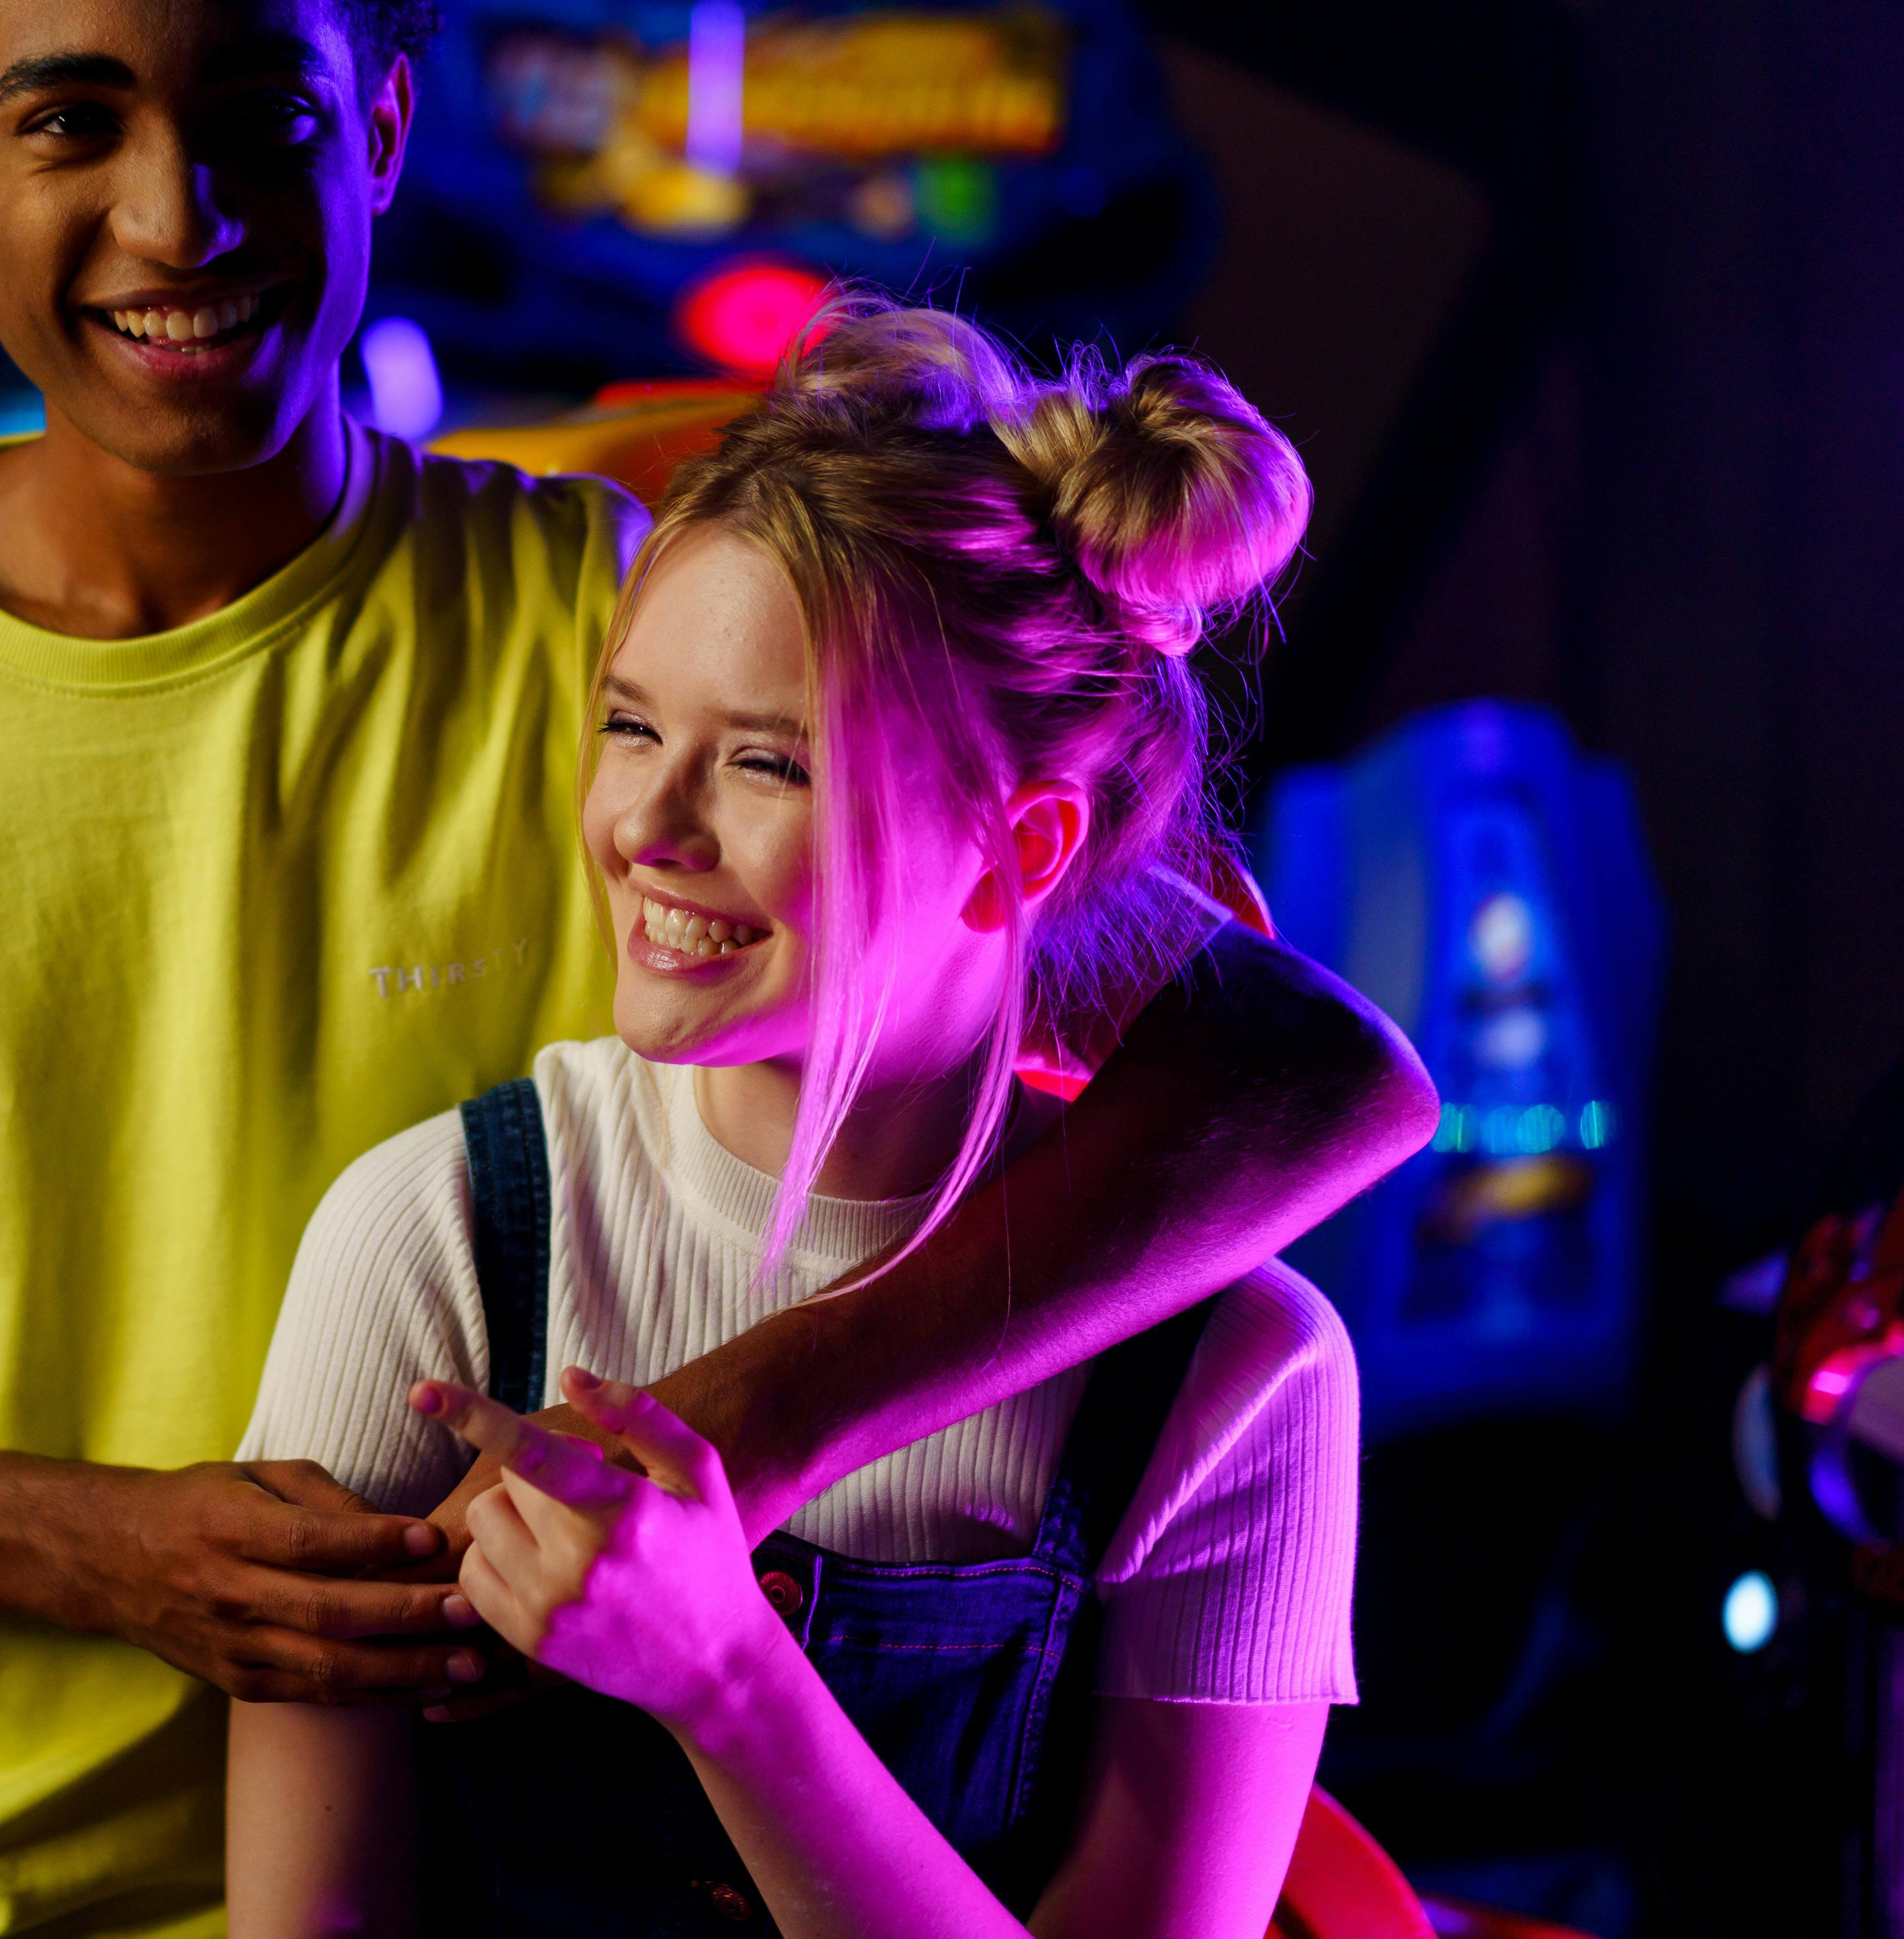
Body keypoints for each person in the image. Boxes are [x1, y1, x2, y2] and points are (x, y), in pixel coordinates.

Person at [0, 0, 1435, 1935]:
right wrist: (126, 1550)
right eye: (74, 121)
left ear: (390, 130)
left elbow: (1300, 1069)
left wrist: (752, 1429)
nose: (178, 218)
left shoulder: (611, 623)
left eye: (269, 120)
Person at [229, 304, 1359, 1938]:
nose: (645, 829)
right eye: (631, 726)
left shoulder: (1241, 1376)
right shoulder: (440, 1238)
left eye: (770, 765)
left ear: (1023, 847)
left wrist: (730, 1683)